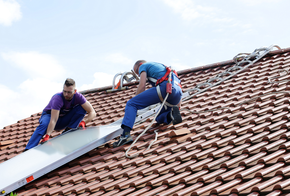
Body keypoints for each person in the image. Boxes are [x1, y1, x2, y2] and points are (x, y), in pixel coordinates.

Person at [113, 60, 182, 147]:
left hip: (164, 88)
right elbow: (179, 90)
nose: (138, 75)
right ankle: (170, 116)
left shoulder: (143, 66)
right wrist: (178, 109)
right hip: (177, 95)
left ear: (140, 65)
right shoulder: (163, 68)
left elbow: (142, 86)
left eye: (137, 72)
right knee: (158, 118)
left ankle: (125, 135)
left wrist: (134, 104)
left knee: (131, 104)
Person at [24, 78, 96, 150]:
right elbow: (54, 119)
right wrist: (47, 136)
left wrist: (84, 122)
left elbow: (92, 112)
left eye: (69, 92)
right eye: (64, 91)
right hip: (50, 117)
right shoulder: (58, 98)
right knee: (44, 124)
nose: (66, 94)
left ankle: (69, 131)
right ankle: (29, 148)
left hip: (63, 119)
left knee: (81, 108)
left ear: (75, 91)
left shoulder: (79, 97)